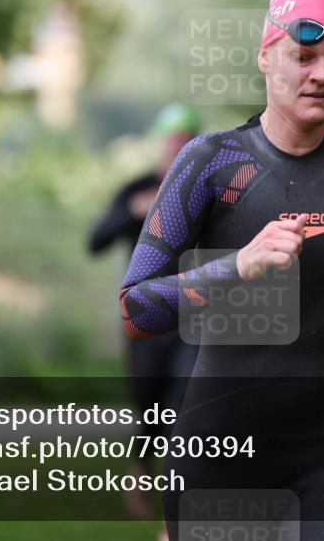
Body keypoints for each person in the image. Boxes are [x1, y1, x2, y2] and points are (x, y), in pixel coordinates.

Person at [118, 0, 324, 540]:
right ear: (266, 56)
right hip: (221, 453)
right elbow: (136, 311)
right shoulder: (207, 164)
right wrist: (237, 265)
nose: (321, 75)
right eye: (304, 56)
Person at [88, 104, 201, 523]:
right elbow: (95, 241)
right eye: (172, 140)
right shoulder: (137, 189)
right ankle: (140, 474)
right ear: (161, 143)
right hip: (146, 318)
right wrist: (132, 212)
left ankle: (184, 492)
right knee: (149, 406)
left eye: (186, 140)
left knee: (188, 398)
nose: (178, 147)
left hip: (193, 318)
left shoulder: (202, 188)